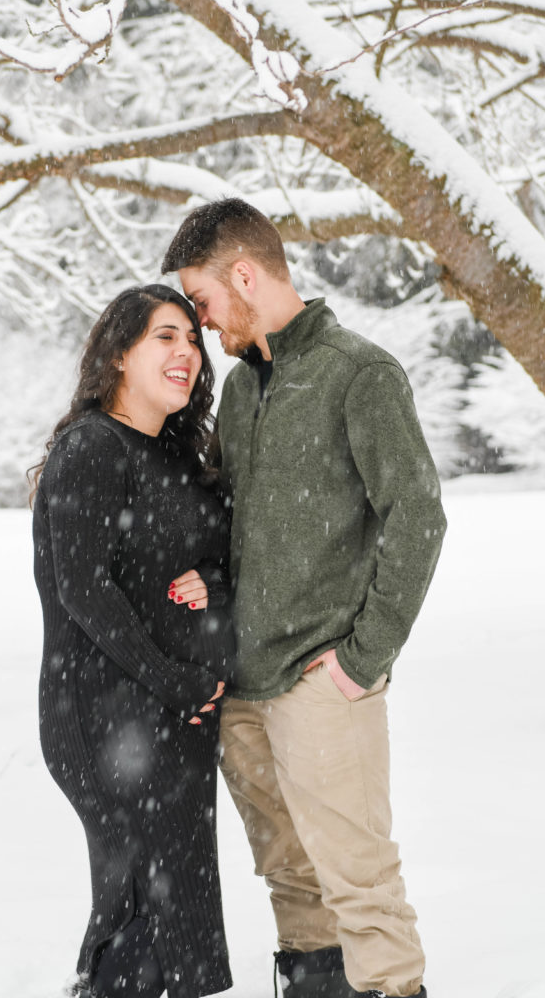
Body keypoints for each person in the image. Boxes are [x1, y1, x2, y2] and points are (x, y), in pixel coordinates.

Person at [161, 199, 447, 998]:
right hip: (242, 686)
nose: (201, 322)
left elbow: (417, 516)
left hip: (322, 681)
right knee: (288, 875)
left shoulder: (358, 373)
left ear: (244, 276)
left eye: (203, 300)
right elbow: (227, 522)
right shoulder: (240, 391)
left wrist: (362, 659)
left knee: (359, 878)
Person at [30, 284, 235, 998]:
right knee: (143, 904)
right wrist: (176, 681)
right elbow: (83, 590)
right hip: (105, 714)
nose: (186, 352)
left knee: (177, 908)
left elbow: (218, 552)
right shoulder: (92, 448)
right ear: (119, 354)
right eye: (164, 336)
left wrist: (214, 581)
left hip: (175, 717)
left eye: (192, 339)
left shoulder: (178, 457)